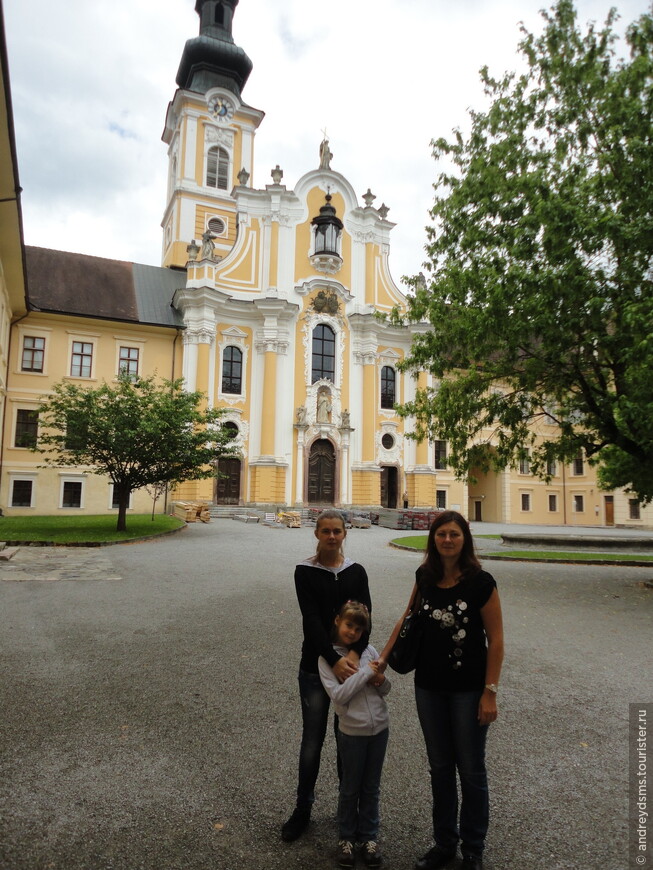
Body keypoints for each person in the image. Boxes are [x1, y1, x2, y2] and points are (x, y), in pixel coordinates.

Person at [378, 511, 504, 870]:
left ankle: (473, 849)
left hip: (468, 690)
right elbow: (407, 617)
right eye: (441, 534)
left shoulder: (482, 582)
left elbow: (496, 641)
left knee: (471, 769)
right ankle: (444, 842)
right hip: (429, 687)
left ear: (465, 539)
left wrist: (490, 692)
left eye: (454, 534)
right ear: (433, 539)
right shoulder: (425, 576)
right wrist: (383, 660)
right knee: (439, 767)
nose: (447, 540)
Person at [282, 510, 373, 843]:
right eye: (326, 531)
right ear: (316, 534)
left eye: (337, 531)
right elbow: (312, 622)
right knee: (312, 741)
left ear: (345, 534)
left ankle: (346, 811)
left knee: (347, 743)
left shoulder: (356, 572)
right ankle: (302, 808)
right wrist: (332, 658)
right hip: (315, 668)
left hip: (348, 669)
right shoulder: (304, 572)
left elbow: (366, 616)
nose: (332, 537)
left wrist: (350, 656)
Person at [319, 601, 390, 869]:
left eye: (359, 629)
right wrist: (365, 674)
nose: (353, 632)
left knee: (371, 787)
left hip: (380, 729)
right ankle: (347, 838)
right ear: (338, 621)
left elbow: (385, 689)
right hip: (352, 732)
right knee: (350, 788)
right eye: (349, 625)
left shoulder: (368, 650)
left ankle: (369, 837)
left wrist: (381, 680)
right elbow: (339, 698)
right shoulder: (327, 659)